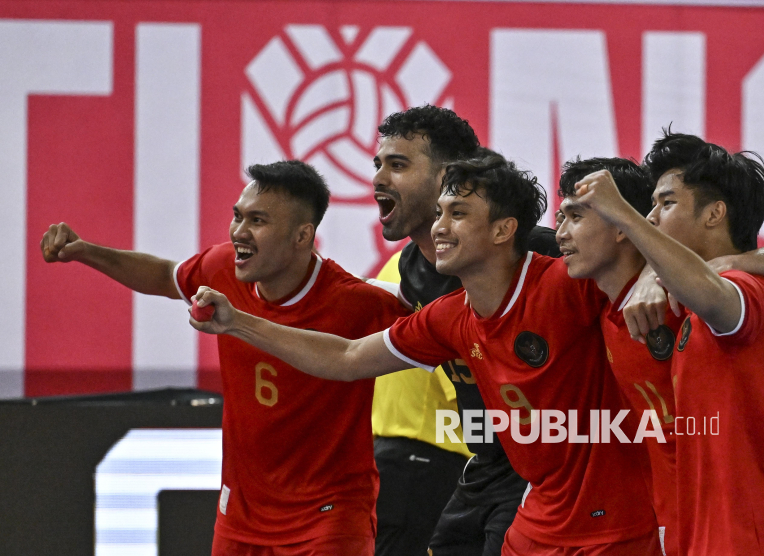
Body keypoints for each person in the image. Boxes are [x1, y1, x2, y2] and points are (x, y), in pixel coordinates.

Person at [190, 156, 662, 555]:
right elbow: (349, 358)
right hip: (537, 519)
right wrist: (237, 323)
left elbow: (700, 277)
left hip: (619, 521)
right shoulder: (448, 317)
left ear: (504, 230)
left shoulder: (567, 285)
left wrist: (652, 275)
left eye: (457, 213)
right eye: (439, 212)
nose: (438, 226)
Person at [41, 161, 408, 556]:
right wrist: (86, 252)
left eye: (258, 220)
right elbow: (167, 276)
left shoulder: (359, 304)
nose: (239, 232)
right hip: (241, 517)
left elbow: (447, 327)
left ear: (302, 236)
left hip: (330, 515)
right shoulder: (221, 270)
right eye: (238, 216)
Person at [570, 132, 764, 555]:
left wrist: (623, 215)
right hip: (722, 532)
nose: (652, 217)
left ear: (715, 214)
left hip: (761, 535)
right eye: (650, 207)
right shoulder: (700, 299)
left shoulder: (746, 288)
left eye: (666, 204)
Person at [372, 106, 560, 556]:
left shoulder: (535, 252)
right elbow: (346, 358)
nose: (379, 178)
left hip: (552, 466)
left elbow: (628, 275)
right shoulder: (411, 271)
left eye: (397, 165)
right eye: (378, 164)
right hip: (485, 463)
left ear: (447, 178)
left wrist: (651, 276)